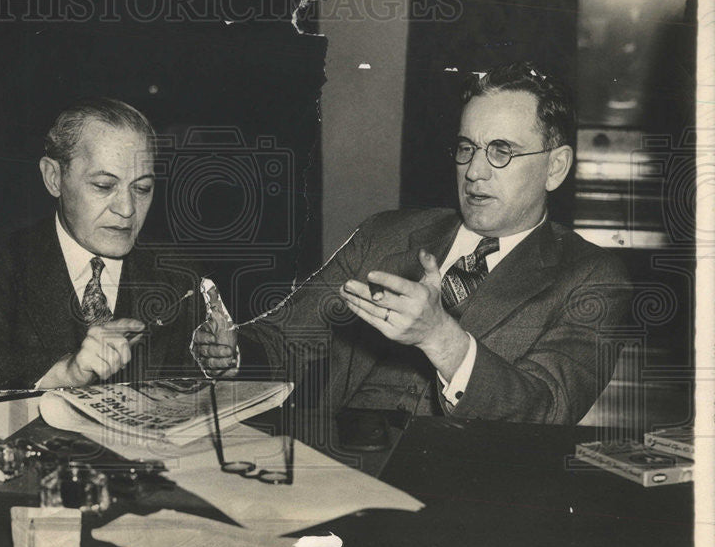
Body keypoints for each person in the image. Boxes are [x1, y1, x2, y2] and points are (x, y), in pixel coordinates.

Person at [194, 62, 631, 426]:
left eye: (501, 151)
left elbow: (548, 411)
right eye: (466, 148)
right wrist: (233, 354)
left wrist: (442, 338)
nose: (475, 171)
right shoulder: (387, 233)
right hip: (332, 467)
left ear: (556, 167)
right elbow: (287, 336)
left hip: (462, 497)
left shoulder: (591, 279)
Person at [0, 99, 201, 391]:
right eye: (104, 186)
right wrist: (64, 372)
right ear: (54, 178)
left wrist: (217, 360)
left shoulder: (177, 271)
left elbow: (198, 367)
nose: (127, 209)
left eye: (142, 188)